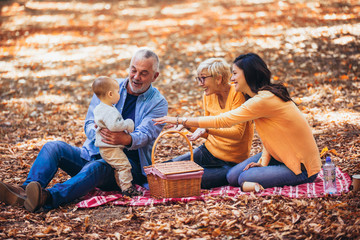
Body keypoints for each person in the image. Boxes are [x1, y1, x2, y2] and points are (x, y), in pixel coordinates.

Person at [0, 48, 168, 212]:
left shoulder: (158, 103)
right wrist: (96, 130)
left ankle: (47, 197)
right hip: (94, 152)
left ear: (155, 76)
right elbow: (88, 123)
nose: (136, 77)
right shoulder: (108, 87)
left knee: (97, 167)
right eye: (133, 70)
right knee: (53, 148)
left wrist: (125, 139)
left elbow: (145, 135)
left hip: (127, 168)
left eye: (143, 73)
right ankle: (25, 192)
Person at [153, 53, 321, 192]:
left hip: (302, 167)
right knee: (233, 177)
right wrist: (263, 161)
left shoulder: (264, 99)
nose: (231, 78)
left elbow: (224, 120)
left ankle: (264, 180)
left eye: (234, 73)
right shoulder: (258, 98)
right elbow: (272, 137)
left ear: (248, 74)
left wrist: (179, 119)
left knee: (244, 177)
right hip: (280, 156)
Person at [169, 58, 253, 189]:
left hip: (230, 162)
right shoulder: (208, 95)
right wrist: (188, 126)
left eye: (203, 78)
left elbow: (238, 134)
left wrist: (207, 129)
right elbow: (206, 133)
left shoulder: (237, 94)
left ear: (218, 79)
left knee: (185, 179)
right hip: (208, 151)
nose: (200, 84)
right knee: (167, 167)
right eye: (198, 79)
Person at [92, 76, 141, 197]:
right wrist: (128, 124)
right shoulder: (109, 111)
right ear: (110, 94)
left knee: (118, 167)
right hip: (110, 148)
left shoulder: (100, 108)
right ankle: (127, 188)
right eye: (118, 92)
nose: (119, 94)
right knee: (124, 165)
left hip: (107, 148)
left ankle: (122, 187)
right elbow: (114, 126)